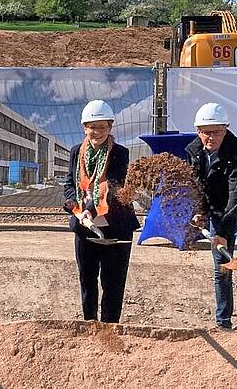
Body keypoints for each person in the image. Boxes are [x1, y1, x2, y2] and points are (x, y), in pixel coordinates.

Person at [186, 103, 237, 330]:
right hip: (218, 217)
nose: (211, 137)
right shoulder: (194, 152)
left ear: (226, 129)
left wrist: (221, 232)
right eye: (206, 132)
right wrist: (199, 211)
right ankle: (223, 324)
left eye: (217, 131)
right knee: (221, 269)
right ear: (198, 131)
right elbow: (197, 186)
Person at [62, 99, 139, 323]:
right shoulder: (77, 152)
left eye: (102, 127)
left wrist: (90, 209)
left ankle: (110, 327)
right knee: (87, 280)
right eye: (92, 127)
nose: (97, 132)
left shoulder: (120, 153)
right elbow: (69, 183)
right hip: (85, 229)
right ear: (84, 127)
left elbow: (112, 186)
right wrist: (74, 206)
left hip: (116, 228)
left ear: (110, 128)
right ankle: (90, 324)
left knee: (113, 283)